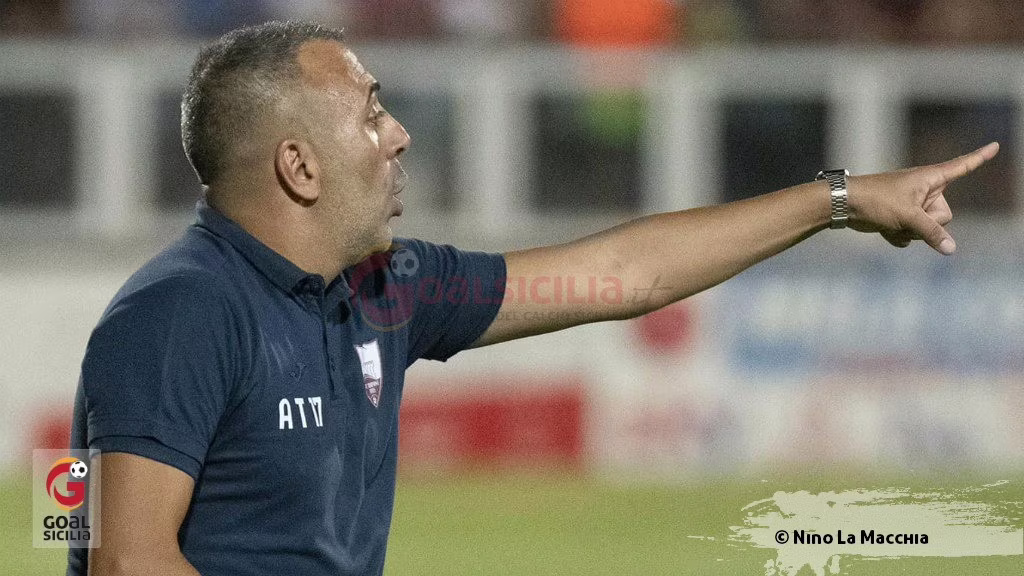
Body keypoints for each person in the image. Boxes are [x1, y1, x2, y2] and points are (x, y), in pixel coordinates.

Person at [68, 20, 998, 576]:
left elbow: (624, 274)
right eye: (372, 113)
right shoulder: (176, 315)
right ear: (298, 167)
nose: (398, 136)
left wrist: (836, 200)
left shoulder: (387, 290)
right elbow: (121, 558)